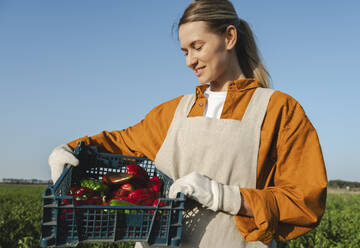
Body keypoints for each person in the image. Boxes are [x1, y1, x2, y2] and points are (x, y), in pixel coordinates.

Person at [48, 0, 327, 247]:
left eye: (197, 46)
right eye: (184, 51)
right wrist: (68, 149)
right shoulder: (175, 112)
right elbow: (120, 141)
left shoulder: (278, 110)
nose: (190, 61)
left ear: (229, 38)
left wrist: (222, 196)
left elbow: (305, 202)